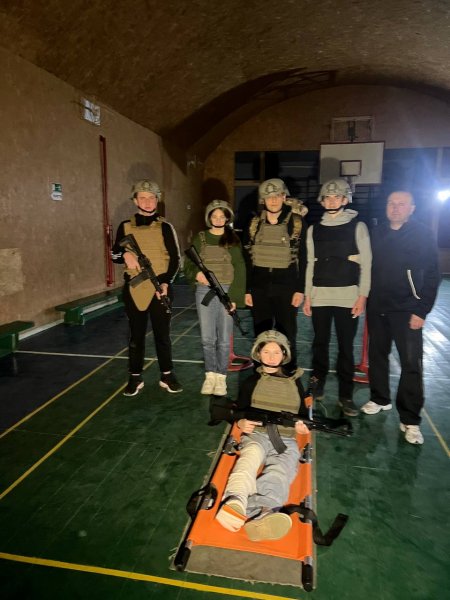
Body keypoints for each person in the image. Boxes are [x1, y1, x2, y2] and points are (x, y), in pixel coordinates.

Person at [361, 190, 440, 444]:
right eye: (391, 203)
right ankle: (380, 398)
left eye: (401, 204)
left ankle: (410, 419)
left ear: (412, 208)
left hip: (408, 310)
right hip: (378, 307)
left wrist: (421, 310)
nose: (395, 208)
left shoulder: (423, 234)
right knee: (377, 355)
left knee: (411, 363)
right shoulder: (377, 233)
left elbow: (433, 274)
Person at [215, 330, 309, 542]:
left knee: (281, 469)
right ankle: (235, 502)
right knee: (248, 460)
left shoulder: (294, 382)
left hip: (285, 438)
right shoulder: (251, 382)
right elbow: (240, 409)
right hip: (257, 434)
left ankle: (265, 510)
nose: (272, 356)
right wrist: (240, 421)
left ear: (284, 354)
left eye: (276, 352)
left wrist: (302, 425)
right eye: (266, 351)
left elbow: (302, 412)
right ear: (258, 353)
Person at [303, 179, 372, 417]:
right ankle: (317, 384)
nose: (332, 201)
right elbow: (310, 264)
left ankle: (346, 395)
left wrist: (362, 296)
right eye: (328, 197)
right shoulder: (313, 230)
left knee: (345, 347)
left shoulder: (358, 226)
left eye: (337, 197)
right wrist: (308, 296)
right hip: (320, 296)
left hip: (348, 296)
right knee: (319, 344)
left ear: (345, 199)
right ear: (322, 201)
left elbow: (367, 264)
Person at [112, 179, 182, 395]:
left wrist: (166, 282)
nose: (148, 201)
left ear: (157, 200)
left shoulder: (165, 227)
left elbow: (175, 259)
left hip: (160, 288)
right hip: (135, 288)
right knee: (136, 336)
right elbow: (114, 254)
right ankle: (135, 376)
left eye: (152, 197)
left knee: (162, 335)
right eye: (142, 197)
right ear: (135, 201)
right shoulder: (125, 226)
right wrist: (125, 255)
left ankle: (167, 375)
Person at [243, 178, 307, 372]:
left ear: (284, 197)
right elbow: (247, 260)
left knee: (287, 333)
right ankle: (262, 374)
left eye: (277, 196)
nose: (273, 200)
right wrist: (248, 290)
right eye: (268, 197)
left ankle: (288, 374)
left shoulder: (296, 223)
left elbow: (304, 258)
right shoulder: (253, 223)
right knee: (261, 334)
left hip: (287, 288)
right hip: (259, 288)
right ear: (263, 200)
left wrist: (300, 289)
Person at [184, 199, 246, 396]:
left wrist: (234, 297)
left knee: (224, 340)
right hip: (204, 292)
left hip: (227, 291)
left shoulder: (233, 239)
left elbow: (240, 268)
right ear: (209, 218)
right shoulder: (200, 238)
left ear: (227, 218)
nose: (218, 219)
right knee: (207, 338)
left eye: (222, 216)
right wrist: (196, 274)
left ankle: (221, 377)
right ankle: (210, 375)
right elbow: (188, 263)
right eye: (214, 216)